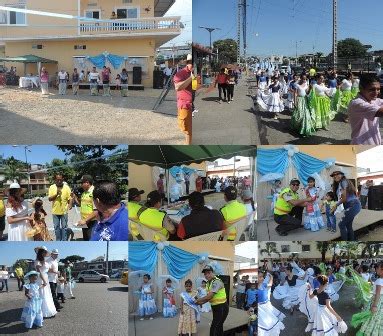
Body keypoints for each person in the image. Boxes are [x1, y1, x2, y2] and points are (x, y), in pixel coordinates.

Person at [348, 74, 383, 145]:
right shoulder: (357, 103)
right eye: (372, 89)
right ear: (361, 88)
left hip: (374, 143)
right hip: (361, 146)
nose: (376, 92)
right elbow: (380, 112)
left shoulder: (374, 100)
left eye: (378, 89)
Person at [195, 265, 228, 336]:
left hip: (222, 307)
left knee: (214, 328)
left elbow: (210, 296)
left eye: (209, 273)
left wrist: (199, 300)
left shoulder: (217, 282)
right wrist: (199, 303)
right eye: (205, 274)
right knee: (219, 326)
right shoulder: (208, 283)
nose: (207, 275)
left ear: (213, 273)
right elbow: (209, 298)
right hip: (215, 307)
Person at [331, 170, 361, 241]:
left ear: (342, 175)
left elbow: (344, 198)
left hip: (352, 205)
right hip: (350, 205)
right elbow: (342, 198)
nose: (335, 176)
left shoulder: (343, 182)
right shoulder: (340, 184)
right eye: (333, 175)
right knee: (348, 225)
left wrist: (336, 205)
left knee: (341, 225)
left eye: (337, 174)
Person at [355, 261, 383, 335]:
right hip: (381, 303)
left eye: (377, 267)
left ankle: (367, 332)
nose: (375, 269)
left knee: (372, 318)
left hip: (376, 302)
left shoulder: (380, 280)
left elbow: (378, 294)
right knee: (378, 319)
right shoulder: (380, 280)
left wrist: (374, 305)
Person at [173, 54, 193, 144]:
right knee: (187, 129)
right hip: (185, 105)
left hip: (192, 105)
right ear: (188, 63)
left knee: (190, 129)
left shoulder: (194, 73)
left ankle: (188, 143)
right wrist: (191, 78)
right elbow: (177, 87)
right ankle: (188, 144)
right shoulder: (181, 73)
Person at [72, 175, 98, 241]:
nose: (80, 185)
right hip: (84, 222)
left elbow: (96, 210)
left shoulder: (94, 192)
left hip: (92, 222)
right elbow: (81, 204)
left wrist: (85, 220)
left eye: (82, 183)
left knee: (91, 239)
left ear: (87, 183)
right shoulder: (84, 193)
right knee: (86, 238)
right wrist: (75, 198)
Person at [34, 246, 57, 318]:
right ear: (40, 252)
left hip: (46, 278)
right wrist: (44, 281)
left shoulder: (44, 261)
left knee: (47, 294)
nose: (45, 253)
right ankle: (42, 312)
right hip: (41, 279)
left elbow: (49, 269)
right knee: (42, 295)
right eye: (44, 252)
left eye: (45, 252)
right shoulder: (37, 261)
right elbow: (39, 272)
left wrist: (56, 272)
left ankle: (48, 310)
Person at [48, 173, 72, 241]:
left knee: (64, 227)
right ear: (55, 180)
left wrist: (70, 204)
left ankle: (64, 240)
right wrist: (56, 194)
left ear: (63, 179)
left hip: (64, 212)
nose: (59, 181)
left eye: (60, 180)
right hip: (55, 212)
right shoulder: (52, 187)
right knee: (56, 227)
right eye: (57, 180)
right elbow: (49, 199)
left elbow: (70, 198)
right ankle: (58, 240)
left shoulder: (66, 187)